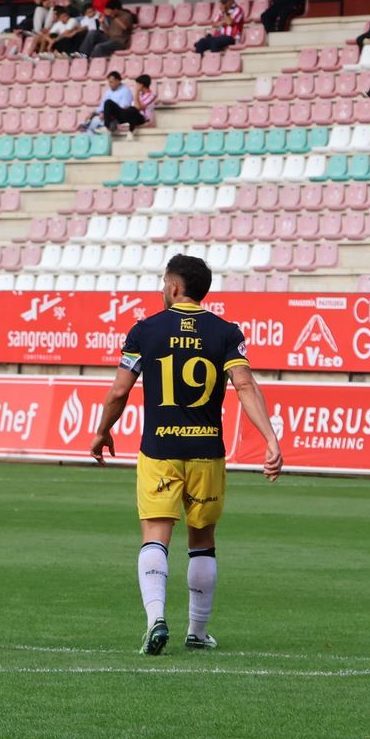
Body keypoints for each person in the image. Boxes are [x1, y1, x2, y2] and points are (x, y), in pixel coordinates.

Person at [90, 253, 283, 655]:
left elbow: (120, 391)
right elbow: (245, 386)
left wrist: (102, 432)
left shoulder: (145, 330)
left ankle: (156, 618)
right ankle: (197, 630)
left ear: (174, 287)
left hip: (160, 448)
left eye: (164, 282)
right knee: (203, 541)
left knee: (155, 536)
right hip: (206, 450)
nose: (162, 288)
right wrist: (270, 439)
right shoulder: (226, 332)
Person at [98, 71, 145, 136]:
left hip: (124, 115)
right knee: (94, 121)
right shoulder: (108, 92)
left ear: (118, 81)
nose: (109, 84)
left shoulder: (126, 91)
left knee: (109, 103)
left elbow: (126, 107)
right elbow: (101, 107)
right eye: (109, 82)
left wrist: (136, 92)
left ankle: (108, 127)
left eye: (111, 82)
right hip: (113, 115)